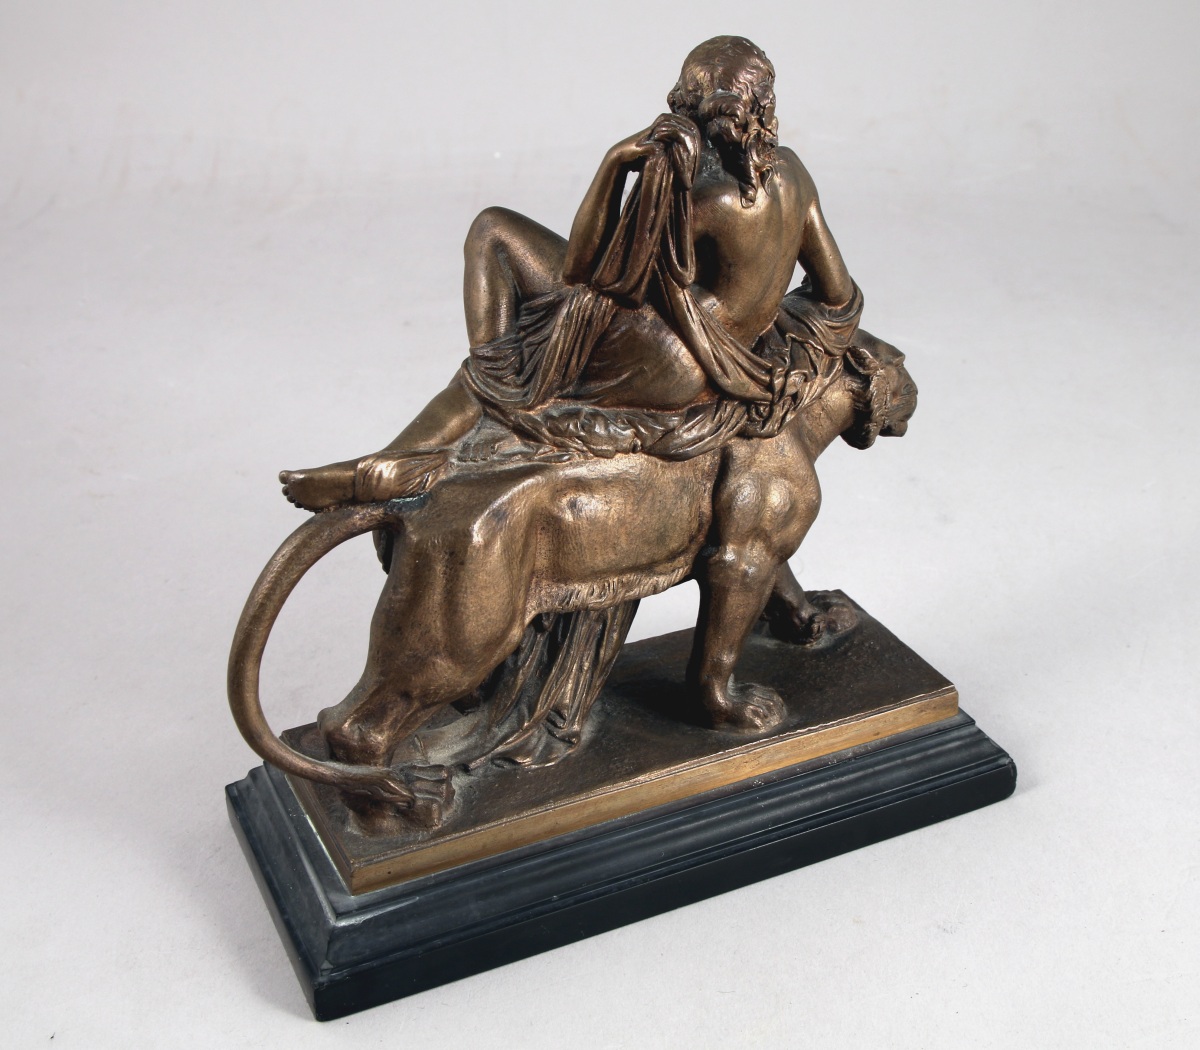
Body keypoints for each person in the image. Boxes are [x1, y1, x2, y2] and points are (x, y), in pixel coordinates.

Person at [279, 36, 863, 517]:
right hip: (711, 368)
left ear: (693, 111)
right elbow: (837, 293)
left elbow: (591, 273)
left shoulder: (697, 195)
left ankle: (434, 432)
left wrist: (617, 162)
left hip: (659, 360)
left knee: (493, 235)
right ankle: (462, 413)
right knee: (529, 319)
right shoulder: (796, 174)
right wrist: (758, 345)